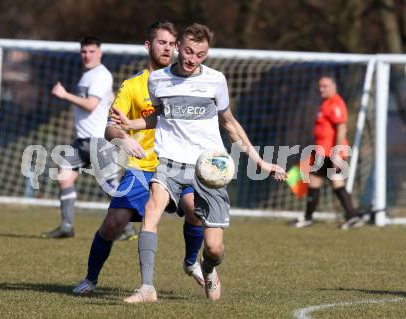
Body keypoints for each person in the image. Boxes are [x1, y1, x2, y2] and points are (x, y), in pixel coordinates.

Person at [112, 23, 287, 303]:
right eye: (189, 51)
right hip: (169, 160)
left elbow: (229, 124)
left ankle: (208, 268)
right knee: (151, 209)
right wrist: (132, 123)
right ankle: (147, 288)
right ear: (179, 47)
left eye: (201, 54)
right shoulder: (158, 81)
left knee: (215, 248)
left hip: (209, 167)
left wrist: (261, 162)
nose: (193, 59)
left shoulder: (215, 80)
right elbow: (160, 114)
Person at [72, 21, 206, 294]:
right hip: (143, 167)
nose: (168, 49)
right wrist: (124, 139)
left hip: (180, 165)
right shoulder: (133, 86)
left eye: (172, 44)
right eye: (162, 42)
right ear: (148, 45)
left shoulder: (189, 83)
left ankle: (192, 261)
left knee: (196, 210)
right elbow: (111, 127)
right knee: (114, 223)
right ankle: (90, 278)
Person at [41, 36, 134, 238]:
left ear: (99, 53)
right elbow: (107, 99)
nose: (87, 55)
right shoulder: (88, 75)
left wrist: (65, 95)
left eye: (92, 51)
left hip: (98, 140)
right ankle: (67, 226)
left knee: (111, 187)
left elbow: (91, 105)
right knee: (64, 174)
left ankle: (128, 228)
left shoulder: (100, 75)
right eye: (84, 51)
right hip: (82, 140)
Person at [294, 75, 365, 230]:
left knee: (335, 183)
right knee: (316, 182)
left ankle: (352, 216)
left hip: (331, 152)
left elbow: (341, 128)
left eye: (325, 86)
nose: (321, 89)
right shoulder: (325, 103)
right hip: (322, 152)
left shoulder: (336, 104)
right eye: (320, 86)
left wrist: (336, 153)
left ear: (334, 86)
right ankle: (309, 217)